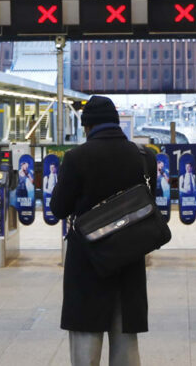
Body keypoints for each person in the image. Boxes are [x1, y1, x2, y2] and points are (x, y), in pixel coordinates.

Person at [50, 95, 152, 366]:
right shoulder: (143, 156)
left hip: (88, 260)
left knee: (86, 335)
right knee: (125, 340)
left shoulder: (76, 158)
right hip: (128, 258)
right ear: (116, 122)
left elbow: (58, 208)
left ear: (87, 126)